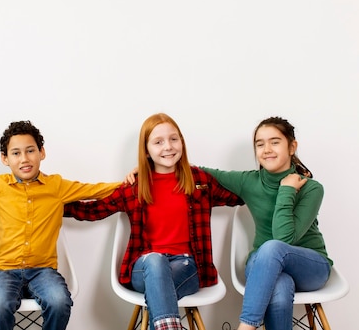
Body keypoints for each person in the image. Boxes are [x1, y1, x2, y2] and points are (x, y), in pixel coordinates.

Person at [0, 120, 123, 330]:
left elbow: (96, 190)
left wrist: (134, 181)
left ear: (42, 152)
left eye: (30, 150)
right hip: (5, 271)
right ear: (5, 158)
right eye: (16, 153)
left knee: (59, 301)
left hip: (44, 271)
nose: (24, 158)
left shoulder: (57, 186)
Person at [64, 113, 243, 330]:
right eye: (158, 142)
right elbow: (92, 210)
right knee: (155, 262)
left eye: (174, 139)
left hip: (188, 266)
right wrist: (49, 203)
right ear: (146, 150)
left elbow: (241, 195)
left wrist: (276, 178)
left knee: (159, 290)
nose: (168, 146)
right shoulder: (135, 186)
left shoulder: (200, 181)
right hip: (144, 267)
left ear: (182, 143)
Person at [200, 116, 332, 330]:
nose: (266, 149)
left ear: (292, 147)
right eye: (260, 144)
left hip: (311, 267)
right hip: (263, 264)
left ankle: (246, 326)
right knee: (280, 284)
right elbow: (201, 173)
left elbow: (284, 239)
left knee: (272, 246)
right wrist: (146, 169)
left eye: (275, 142)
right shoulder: (249, 181)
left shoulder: (312, 188)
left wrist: (286, 189)